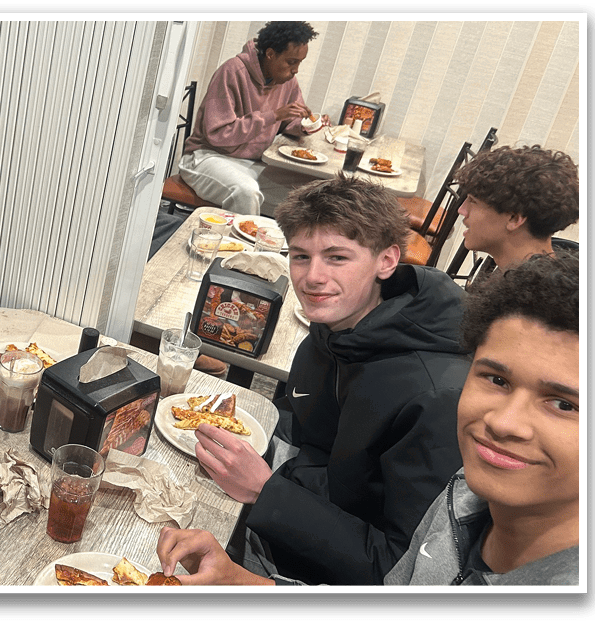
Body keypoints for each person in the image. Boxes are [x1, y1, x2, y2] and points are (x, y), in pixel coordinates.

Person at [157, 252, 580, 586]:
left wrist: (269, 494)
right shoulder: (464, 496)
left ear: (387, 263)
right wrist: (244, 583)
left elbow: (381, 562)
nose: (505, 423)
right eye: (496, 379)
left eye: (564, 404)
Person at [188, 174, 470, 584]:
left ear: (387, 261)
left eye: (337, 257)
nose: (312, 277)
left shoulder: (436, 398)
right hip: (284, 512)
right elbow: (302, 425)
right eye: (300, 256)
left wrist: (266, 492)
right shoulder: (335, 325)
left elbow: (396, 569)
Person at [178, 21, 322, 216]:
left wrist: (305, 125)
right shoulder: (232, 71)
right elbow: (218, 135)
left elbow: (289, 122)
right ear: (270, 54)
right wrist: (273, 116)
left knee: (310, 194)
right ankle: (241, 245)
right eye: (291, 61)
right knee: (245, 192)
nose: (296, 69)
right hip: (207, 156)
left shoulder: (287, 81)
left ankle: (274, 244)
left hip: (251, 162)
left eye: (299, 62)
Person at [455, 144, 579, 273]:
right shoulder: (523, 274)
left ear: (514, 219)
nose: (461, 210)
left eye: (473, 201)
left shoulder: (534, 291)